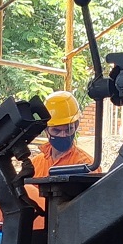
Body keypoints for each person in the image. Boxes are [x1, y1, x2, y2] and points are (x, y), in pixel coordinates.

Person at [25, 91, 94, 223]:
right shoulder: (35, 165)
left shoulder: (86, 165)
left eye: (68, 129)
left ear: (77, 126)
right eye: (56, 130)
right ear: (46, 129)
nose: (63, 135)